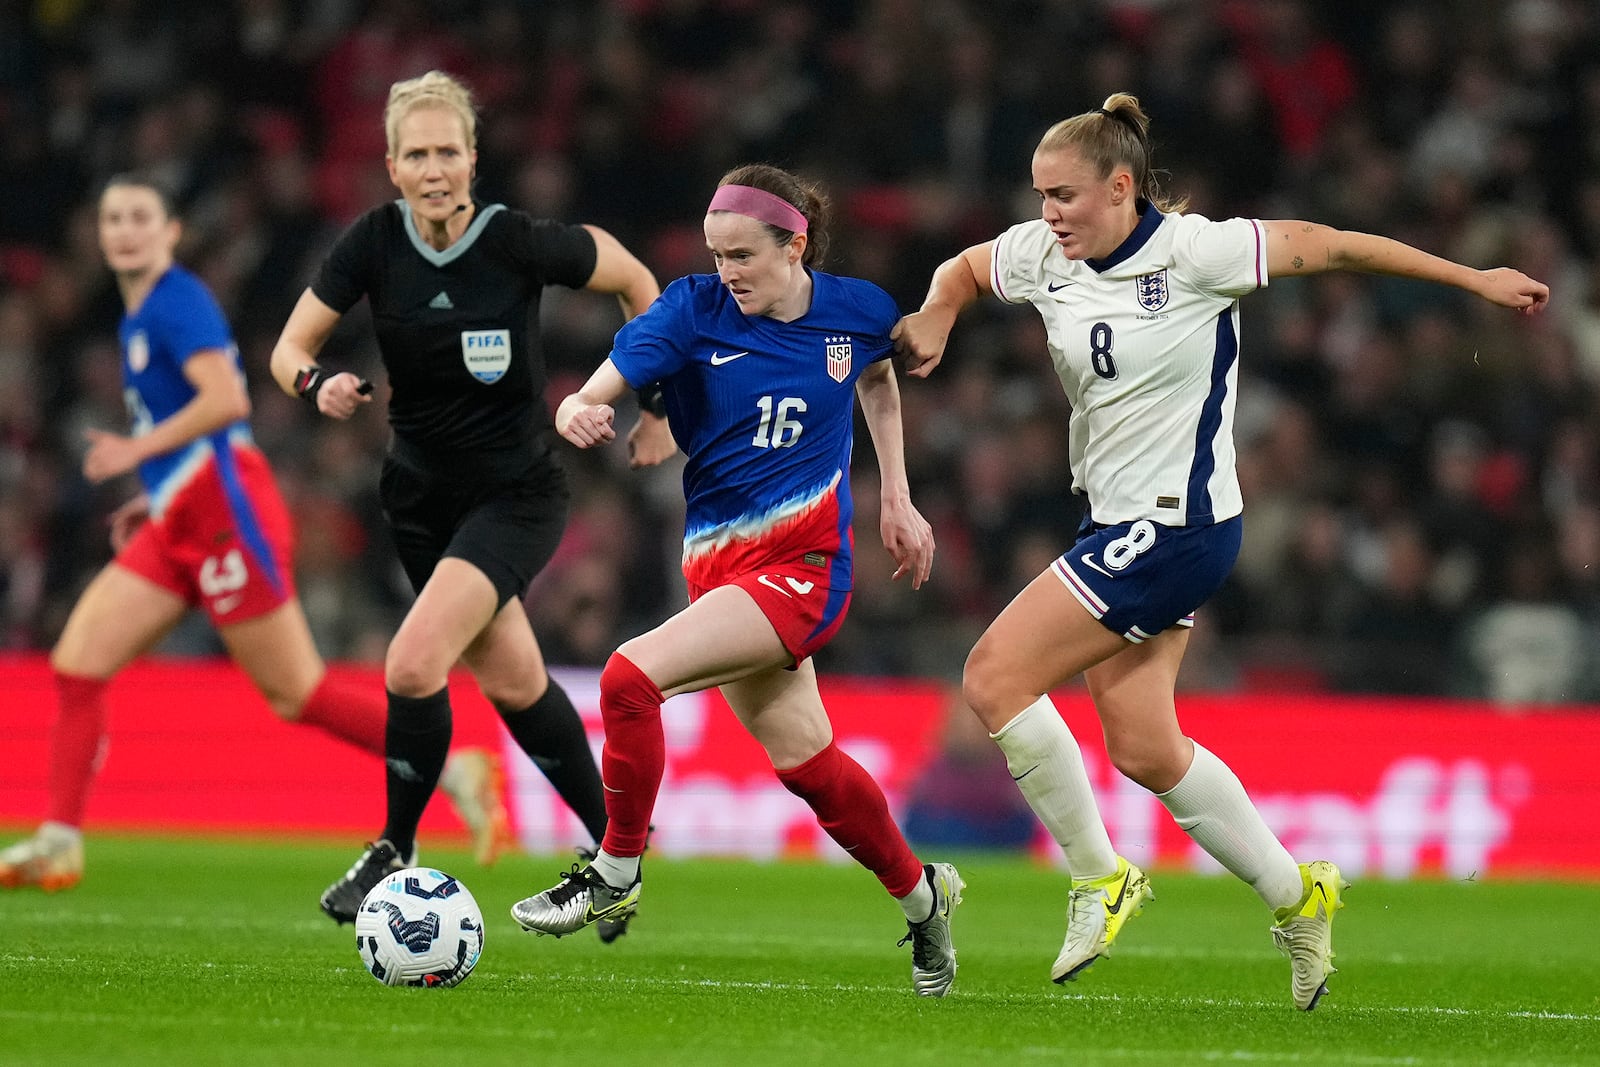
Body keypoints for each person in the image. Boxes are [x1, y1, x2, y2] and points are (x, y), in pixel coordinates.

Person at [894, 93, 1549, 1011]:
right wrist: (936, 315)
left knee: (994, 676)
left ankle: (1098, 877)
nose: (1047, 215)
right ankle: (1298, 896)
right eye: (1040, 195)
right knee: (1145, 746)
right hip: (1115, 523)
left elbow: (1335, 243)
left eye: (1065, 196)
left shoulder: (1196, 252)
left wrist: (1473, 278)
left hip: (1175, 526)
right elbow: (963, 268)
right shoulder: (1046, 253)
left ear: (1121, 187)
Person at [509, 163, 964, 998]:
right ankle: (924, 894)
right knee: (811, 767)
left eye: (742, 256)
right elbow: (626, 356)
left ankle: (615, 867)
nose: (727, 272)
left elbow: (878, 375)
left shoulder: (857, 310)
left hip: (804, 568)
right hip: (718, 567)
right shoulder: (694, 307)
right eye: (717, 254)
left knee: (627, 678)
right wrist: (583, 401)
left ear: (795, 245)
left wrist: (896, 496)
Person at [0, 173, 508, 892]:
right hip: (182, 511)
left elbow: (227, 399)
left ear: (172, 232)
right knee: (79, 661)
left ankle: (452, 767)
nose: (124, 230)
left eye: (141, 217)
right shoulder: (138, 316)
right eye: (112, 217)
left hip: (224, 514)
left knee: (295, 692)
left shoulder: (177, 303)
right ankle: (58, 837)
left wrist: (137, 457)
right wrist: (157, 493)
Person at [268, 71, 666, 940]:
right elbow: (289, 348)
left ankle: (393, 846)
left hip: (515, 495)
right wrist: (317, 381)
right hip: (417, 501)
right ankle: (618, 857)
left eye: (449, 150)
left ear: (475, 159)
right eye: (418, 154)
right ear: (392, 165)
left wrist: (659, 407)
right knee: (518, 682)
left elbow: (641, 283)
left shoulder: (517, 241)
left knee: (412, 664)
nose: (436, 167)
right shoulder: (371, 243)